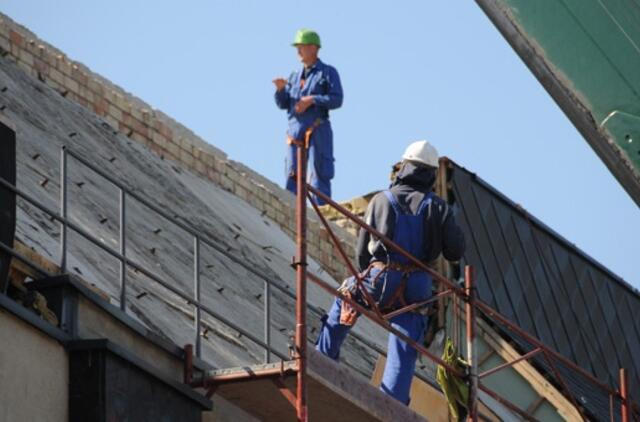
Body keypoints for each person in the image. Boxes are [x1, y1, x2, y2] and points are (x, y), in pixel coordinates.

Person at [315, 140, 466, 405]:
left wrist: (365, 281)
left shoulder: (381, 200)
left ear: (404, 166)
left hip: (381, 278)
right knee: (405, 343)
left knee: (346, 298)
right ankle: (393, 402)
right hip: (416, 288)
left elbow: (363, 252)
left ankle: (322, 360)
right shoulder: (438, 207)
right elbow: (455, 252)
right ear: (431, 173)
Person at [273, 29, 343, 205]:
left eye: (301, 47)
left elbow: (337, 99)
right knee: (292, 174)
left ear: (313, 48)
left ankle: (322, 215)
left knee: (320, 172)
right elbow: (284, 104)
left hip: (317, 128)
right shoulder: (294, 77)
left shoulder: (327, 73)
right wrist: (280, 90)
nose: (298, 51)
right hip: (295, 133)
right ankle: (290, 211)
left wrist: (313, 100)